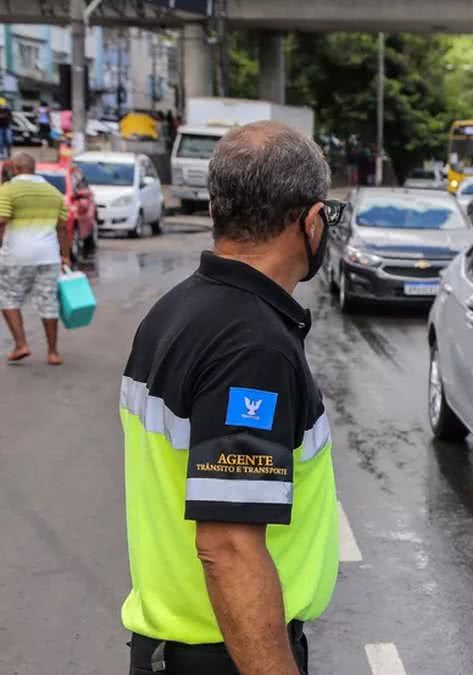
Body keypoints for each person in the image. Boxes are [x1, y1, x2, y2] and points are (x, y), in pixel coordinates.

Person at [121, 121, 340, 674]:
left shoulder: (177, 310)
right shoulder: (252, 346)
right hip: (227, 657)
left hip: (175, 648)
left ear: (218, 209)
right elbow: (229, 548)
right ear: (312, 222)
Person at [0, 152, 69, 364]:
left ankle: (21, 344)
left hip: (17, 255)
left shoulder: (8, 190)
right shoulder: (53, 192)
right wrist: (65, 255)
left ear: (15, 169)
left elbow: (2, 220)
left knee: (9, 298)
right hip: (48, 255)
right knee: (48, 302)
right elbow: (63, 227)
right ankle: (53, 352)